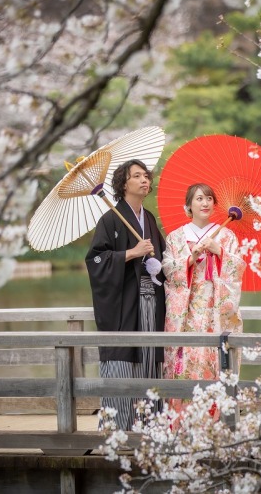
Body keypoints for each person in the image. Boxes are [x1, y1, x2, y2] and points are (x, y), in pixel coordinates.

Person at [85, 159, 166, 430]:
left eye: (146, 176)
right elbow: (95, 260)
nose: (145, 180)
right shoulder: (111, 219)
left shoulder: (149, 219)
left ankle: (149, 429)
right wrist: (131, 253)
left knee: (150, 360)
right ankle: (117, 431)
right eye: (137, 176)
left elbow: (163, 259)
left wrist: (160, 264)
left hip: (150, 303)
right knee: (123, 359)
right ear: (123, 184)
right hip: (124, 306)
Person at [161, 183, 245, 419]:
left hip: (215, 309)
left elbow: (237, 269)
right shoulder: (176, 237)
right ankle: (181, 419)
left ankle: (215, 419)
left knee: (214, 356)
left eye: (209, 198)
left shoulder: (226, 236)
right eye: (199, 199)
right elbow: (168, 269)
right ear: (188, 206)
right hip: (186, 312)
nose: (205, 203)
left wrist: (220, 252)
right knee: (185, 358)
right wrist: (190, 259)